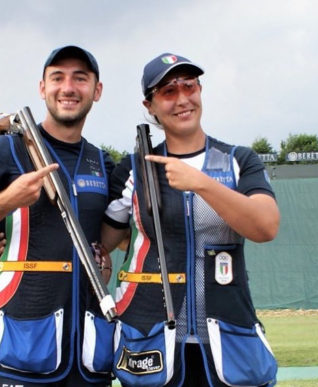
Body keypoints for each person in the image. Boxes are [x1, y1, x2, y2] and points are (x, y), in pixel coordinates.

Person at [101, 53, 281, 387]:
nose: (183, 98)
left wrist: (201, 183)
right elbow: (105, 243)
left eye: (190, 86)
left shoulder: (238, 160)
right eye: (169, 91)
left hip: (228, 336)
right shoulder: (132, 169)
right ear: (150, 105)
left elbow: (265, 226)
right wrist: (7, 236)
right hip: (152, 338)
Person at [0, 45, 115, 387]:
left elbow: (116, 236)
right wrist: (10, 199)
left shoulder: (102, 161)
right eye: (57, 78)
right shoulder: (7, 148)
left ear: (97, 91)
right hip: (25, 344)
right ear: (42, 88)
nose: (68, 87)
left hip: (87, 351)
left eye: (80, 78)